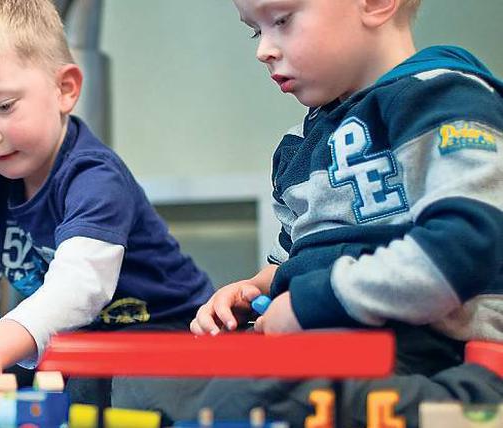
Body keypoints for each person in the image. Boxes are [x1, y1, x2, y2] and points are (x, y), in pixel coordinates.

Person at [118, 0, 503, 425]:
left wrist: (311, 302)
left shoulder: (444, 97)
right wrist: (253, 288)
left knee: (265, 397)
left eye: (282, 21)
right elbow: (297, 259)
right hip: (330, 344)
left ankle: (470, 412)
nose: (263, 50)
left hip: (436, 355)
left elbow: (466, 245)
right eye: (255, 30)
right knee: (137, 381)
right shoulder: (299, 145)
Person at [0, 0, 213, 395]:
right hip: (86, 340)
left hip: (173, 330)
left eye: (3, 107)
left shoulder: (94, 175)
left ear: (64, 89)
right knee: (15, 377)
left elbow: (80, 286)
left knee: (79, 385)